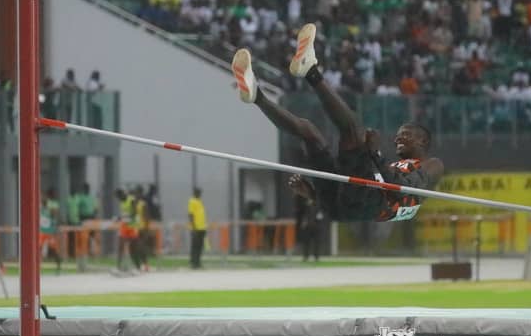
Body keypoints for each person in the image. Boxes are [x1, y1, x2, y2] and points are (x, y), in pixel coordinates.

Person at [231, 23, 444, 223]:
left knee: (353, 130)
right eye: (399, 133)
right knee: (310, 134)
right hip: (345, 205)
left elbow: (402, 190)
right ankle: (257, 96)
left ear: (423, 141)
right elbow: (376, 185)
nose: (399, 137)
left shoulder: (432, 165)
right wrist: (314, 194)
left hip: (369, 205)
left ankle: (310, 71)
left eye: (406, 134)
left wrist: (375, 154)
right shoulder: (393, 167)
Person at [40, 188, 62, 274]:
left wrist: (55, 228)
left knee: (54, 251)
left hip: (50, 233)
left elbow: (55, 219)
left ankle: (59, 268)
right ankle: (37, 268)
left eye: (45, 200)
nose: (44, 201)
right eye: (43, 200)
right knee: (38, 249)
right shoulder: (40, 210)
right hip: (42, 233)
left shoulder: (50, 211)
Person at [187, 187, 206, 269]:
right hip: (196, 228)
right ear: (195, 193)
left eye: (200, 192)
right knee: (195, 246)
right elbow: (191, 215)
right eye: (198, 192)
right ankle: (193, 263)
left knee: (200, 246)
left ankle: (198, 262)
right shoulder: (192, 201)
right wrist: (194, 228)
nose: (200, 194)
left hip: (202, 227)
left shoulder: (199, 201)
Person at [133, 185, 150, 272]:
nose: (136, 194)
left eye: (137, 193)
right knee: (136, 247)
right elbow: (134, 216)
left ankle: (145, 264)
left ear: (140, 193)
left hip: (142, 227)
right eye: (135, 193)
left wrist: (146, 229)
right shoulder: (135, 203)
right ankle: (140, 265)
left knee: (141, 247)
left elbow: (147, 217)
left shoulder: (143, 204)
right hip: (136, 227)